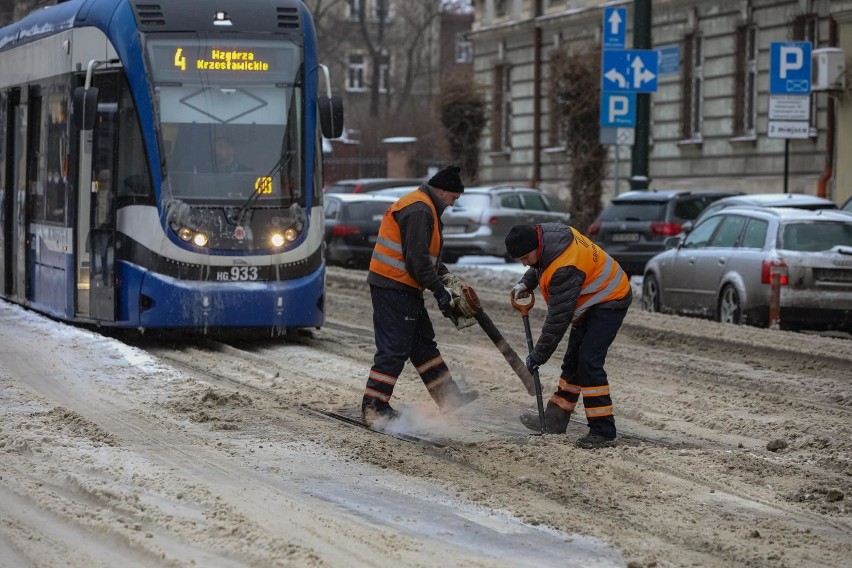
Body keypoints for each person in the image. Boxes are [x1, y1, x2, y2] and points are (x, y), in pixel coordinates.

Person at [361, 165, 480, 424]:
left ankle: (449, 398)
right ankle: (374, 407)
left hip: (401, 286)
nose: (453, 203)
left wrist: (444, 276)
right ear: (440, 190)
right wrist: (439, 290)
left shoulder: (424, 206)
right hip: (393, 287)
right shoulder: (419, 210)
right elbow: (416, 259)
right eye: (453, 197)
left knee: (423, 344)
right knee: (394, 347)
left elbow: (425, 256)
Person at [505, 222, 632, 448]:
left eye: (525, 257)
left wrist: (538, 355)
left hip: (610, 298)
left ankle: (603, 431)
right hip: (592, 298)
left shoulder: (565, 268)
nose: (524, 263)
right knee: (572, 361)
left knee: (589, 362)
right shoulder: (549, 236)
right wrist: (526, 281)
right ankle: (555, 419)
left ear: (536, 245)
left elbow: (557, 320)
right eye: (520, 260)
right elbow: (541, 262)